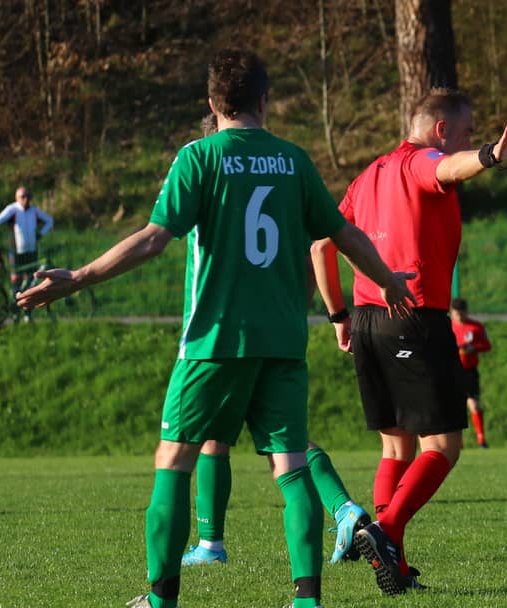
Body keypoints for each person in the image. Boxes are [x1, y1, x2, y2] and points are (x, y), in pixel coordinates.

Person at [17, 49, 414, 608]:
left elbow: (154, 239)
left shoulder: (199, 157)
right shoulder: (294, 160)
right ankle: (306, 601)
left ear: (212, 103)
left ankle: (161, 599)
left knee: (173, 459)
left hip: (215, 340)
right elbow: (342, 234)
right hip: (282, 342)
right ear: (264, 100)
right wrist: (387, 281)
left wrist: (79, 277)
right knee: (291, 466)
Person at [311, 87, 507, 595]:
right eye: (466, 132)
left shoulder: (367, 176)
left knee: (395, 447)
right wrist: (491, 156)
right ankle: (385, 530)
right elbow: (447, 168)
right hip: (414, 316)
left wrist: (338, 316)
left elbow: (320, 245)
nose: (468, 141)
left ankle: (396, 568)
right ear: (441, 130)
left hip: (366, 321)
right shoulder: (421, 162)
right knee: (443, 446)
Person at [179, 114, 373, 571]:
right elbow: (314, 252)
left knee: (212, 437)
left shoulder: (211, 181)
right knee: (287, 442)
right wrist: (294, 312)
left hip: (226, 333)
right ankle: (343, 510)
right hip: (280, 332)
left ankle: (210, 543)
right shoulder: (284, 176)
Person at [0, 186, 54, 292]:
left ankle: (30, 298)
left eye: (28, 196)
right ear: (17, 198)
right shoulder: (12, 209)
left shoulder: (34, 210)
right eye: (23, 196)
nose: (26, 199)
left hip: (31, 250)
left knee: (32, 277)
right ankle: (16, 299)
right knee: (17, 279)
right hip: (16, 251)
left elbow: (49, 220)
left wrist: (40, 234)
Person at [449, 297, 492, 448]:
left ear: (466, 312)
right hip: (451, 372)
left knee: (474, 405)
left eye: (462, 313)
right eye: (456, 314)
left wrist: (474, 348)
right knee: (454, 407)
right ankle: (457, 442)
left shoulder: (476, 327)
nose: (459, 317)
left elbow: (487, 345)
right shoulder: (447, 327)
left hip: (469, 372)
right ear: (452, 313)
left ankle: (481, 439)